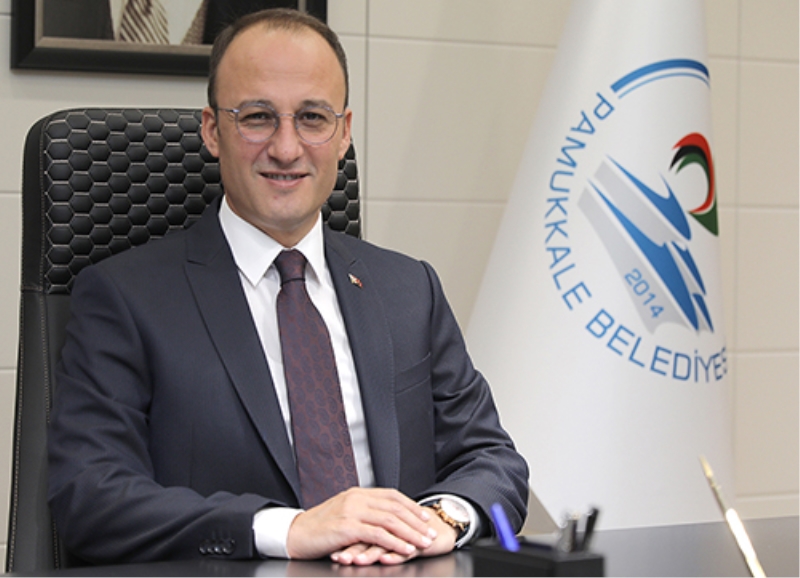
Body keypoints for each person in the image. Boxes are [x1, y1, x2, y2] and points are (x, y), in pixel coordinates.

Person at [47, 8, 529, 567]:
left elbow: (492, 460)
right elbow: (92, 495)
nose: (286, 148)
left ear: (344, 133)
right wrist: (289, 529)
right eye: (257, 117)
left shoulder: (407, 289)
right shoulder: (125, 298)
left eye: (312, 118)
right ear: (212, 130)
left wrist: (437, 521)